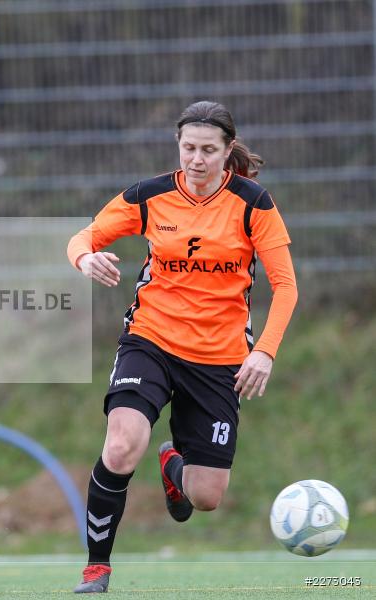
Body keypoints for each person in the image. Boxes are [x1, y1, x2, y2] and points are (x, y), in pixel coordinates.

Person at [66, 101, 298, 593]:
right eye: (188, 148)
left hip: (219, 357)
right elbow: (84, 236)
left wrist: (265, 351)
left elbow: (286, 286)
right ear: (178, 145)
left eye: (208, 150)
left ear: (228, 150)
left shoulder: (253, 204)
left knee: (207, 496)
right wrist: (85, 258)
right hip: (151, 339)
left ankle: (174, 465)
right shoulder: (149, 196)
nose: (196, 159)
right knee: (123, 442)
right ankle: (97, 567)